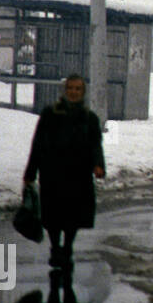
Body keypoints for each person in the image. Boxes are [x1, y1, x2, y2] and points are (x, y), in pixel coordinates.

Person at [23, 74, 105, 276]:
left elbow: (96, 145)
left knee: (73, 216)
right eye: (70, 88)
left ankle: (67, 248)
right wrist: (30, 172)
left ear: (83, 92)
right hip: (53, 173)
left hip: (79, 175)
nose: (73, 92)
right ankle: (55, 248)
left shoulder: (90, 118)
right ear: (64, 90)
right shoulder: (50, 114)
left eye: (78, 89)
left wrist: (98, 165)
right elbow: (38, 143)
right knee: (53, 216)